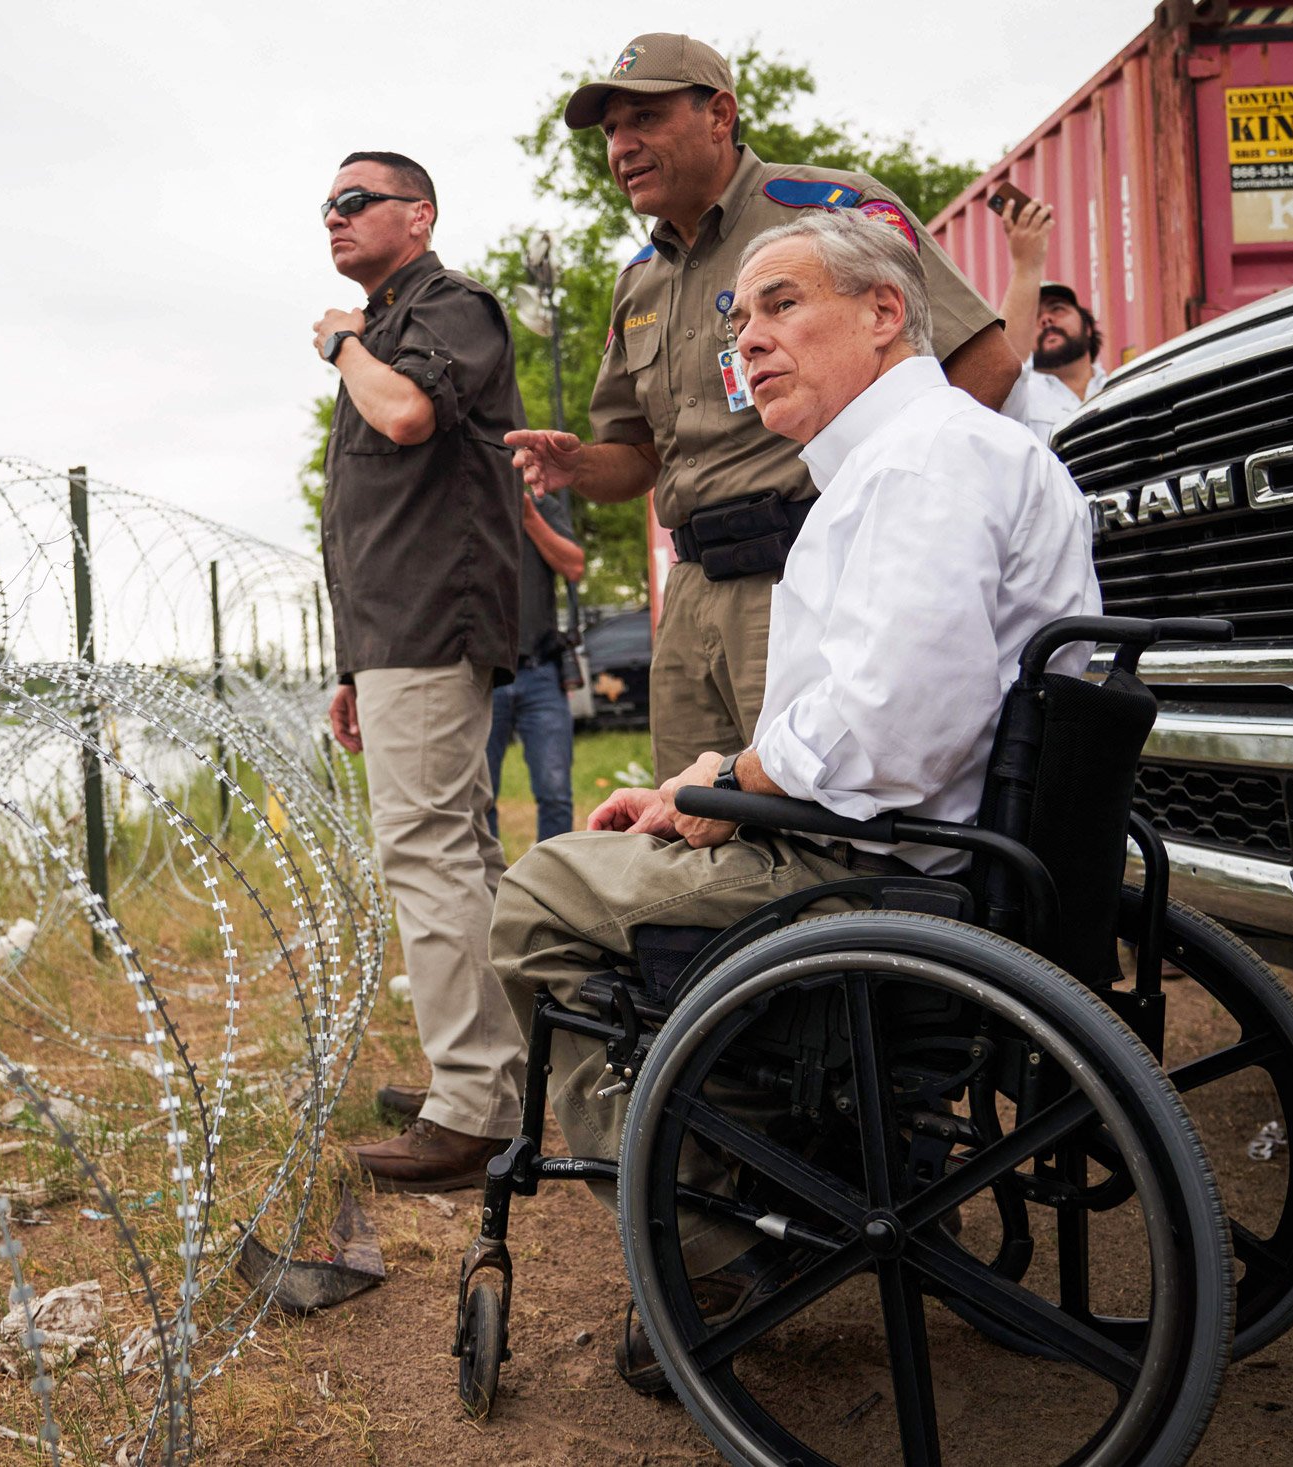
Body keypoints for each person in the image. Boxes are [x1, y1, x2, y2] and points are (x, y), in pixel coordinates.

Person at [490, 208, 1100, 1389]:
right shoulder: (932, 457)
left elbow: (894, 727)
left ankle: (723, 1240)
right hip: (939, 852)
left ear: (884, 313)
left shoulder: (920, 463)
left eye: (782, 306)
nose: (748, 341)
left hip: (885, 874)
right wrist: (701, 788)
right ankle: (790, 1157)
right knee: (619, 852)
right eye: (737, 318)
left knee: (538, 895)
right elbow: (882, 711)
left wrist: (736, 782)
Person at [505, 32, 1017, 794]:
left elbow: (985, 363)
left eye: (643, 118)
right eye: (610, 130)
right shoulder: (638, 284)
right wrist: (579, 466)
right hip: (690, 601)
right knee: (686, 827)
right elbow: (640, 460)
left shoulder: (829, 215)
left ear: (719, 114)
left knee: (818, 827)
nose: (621, 146)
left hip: (807, 570)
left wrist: (877, 514)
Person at [312, 150, 530, 1190]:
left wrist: (345, 345)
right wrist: (353, 664)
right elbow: (371, 520)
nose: (333, 217)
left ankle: (473, 1103)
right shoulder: (390, 327)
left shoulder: (448, 308)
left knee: (428, 853)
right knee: (461, 854)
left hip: (432, 624)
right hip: (393, 634)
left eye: (355, 201)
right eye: (327, 207)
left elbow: (406, 416)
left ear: (420, 213)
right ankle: (494, 1072)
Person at [485, 486, 585, 846]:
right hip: (484, 673)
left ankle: (550, 885)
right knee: (479, 795)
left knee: (556, 790)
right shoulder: (465, 502)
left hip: (540, 668)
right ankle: (489, 889)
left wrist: (528, 515)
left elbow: (574, 566)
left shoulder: (541, 506)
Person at [996, 197, 1109, 443]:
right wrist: (1026, 264)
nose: (1045, 319)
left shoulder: (1120, 386)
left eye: (1058, 309)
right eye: (1034, 316)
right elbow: (1003, 363)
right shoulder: (1021, 397)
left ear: (1088, 327)